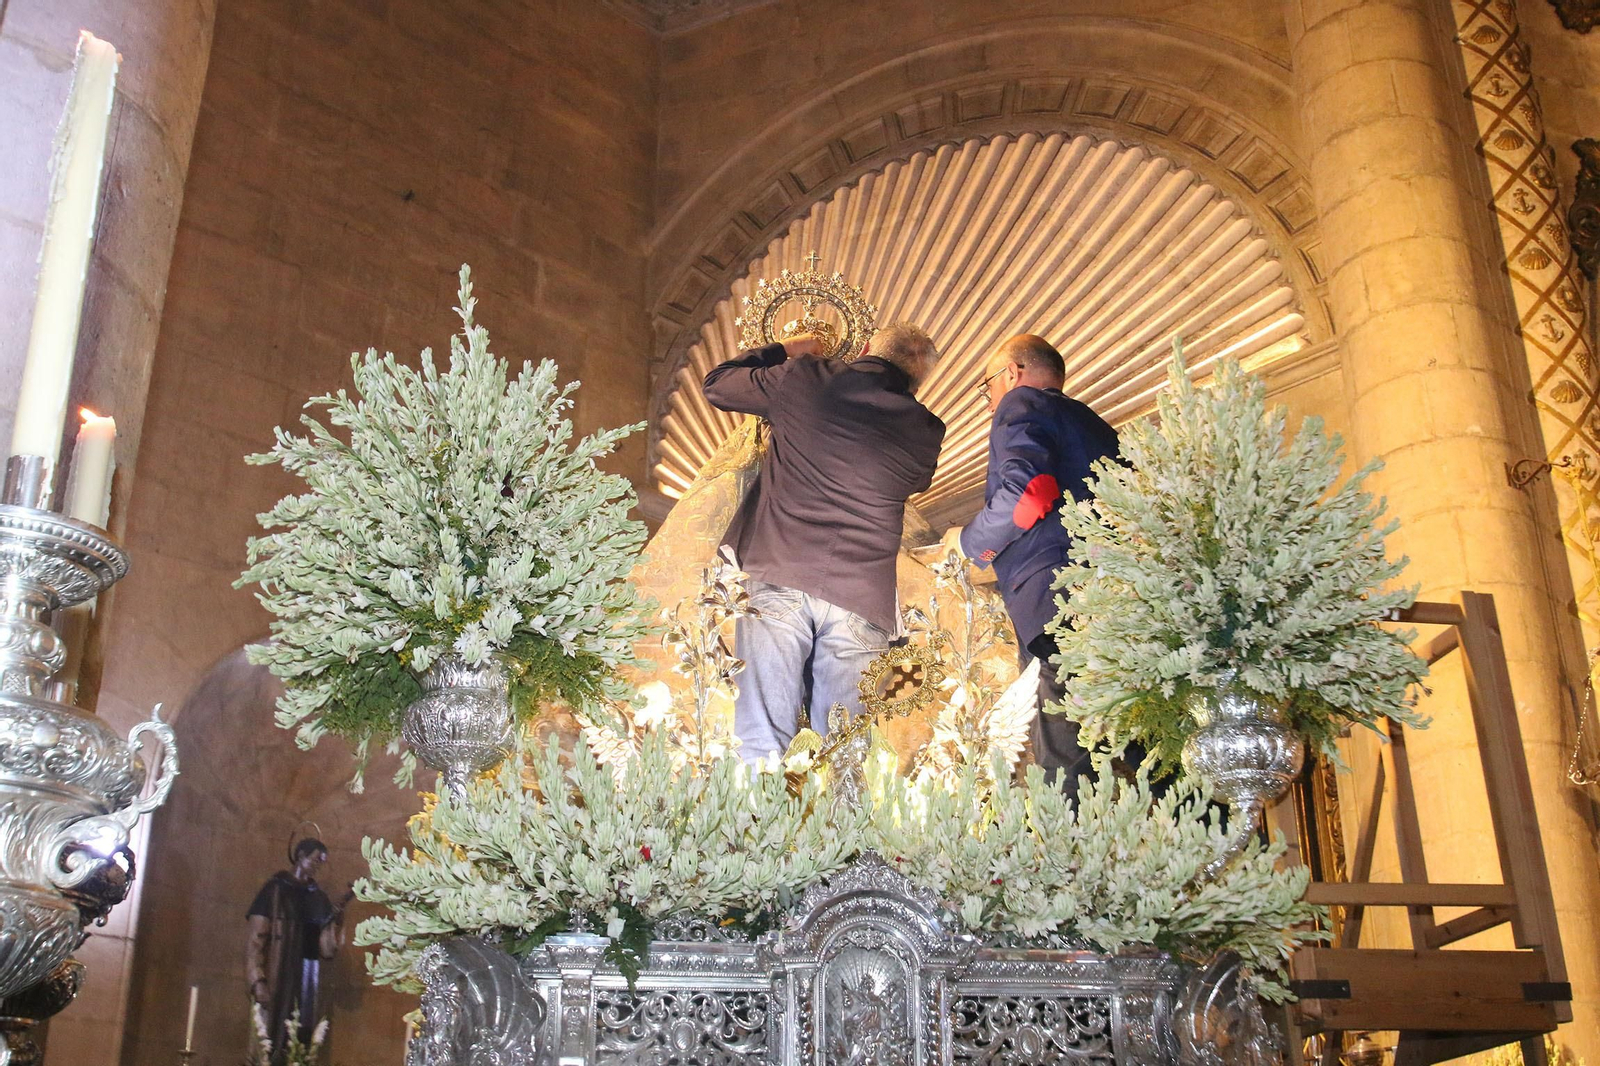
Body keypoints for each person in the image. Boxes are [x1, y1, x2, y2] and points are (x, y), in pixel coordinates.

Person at [703, 323, 945, 764]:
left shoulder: (805, 377)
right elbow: (914, 480)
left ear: (868, 348)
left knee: (761, 737)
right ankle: (841, 832)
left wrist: (787, 350)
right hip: (861, 597)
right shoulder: (926, 429)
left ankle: (757, 829)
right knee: (845, 755)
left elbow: (718, 385)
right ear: (918, 380)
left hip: (780, 572)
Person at [942, 334, 1124, 795]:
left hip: (1058, 596)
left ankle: (1061, 862)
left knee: (1061, 752)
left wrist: (966, 543)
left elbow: (1029, 493)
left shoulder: (1020, 402)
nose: (988, 404)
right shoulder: (1097, 426)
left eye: (986, 389)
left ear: (1012, 372)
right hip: (1113, 597)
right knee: (1125, 737)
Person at [245, 838, 350, 1064]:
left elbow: (326, 949)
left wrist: (336, 921)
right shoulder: (274, 889)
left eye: (320, 863)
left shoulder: (317, 897)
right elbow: (256, 941)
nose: (316, 866)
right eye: (314, 859)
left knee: (299, 1038)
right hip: (276, 975)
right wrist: (257, 981)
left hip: (305, 981)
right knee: (269, 1035)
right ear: (300, 855)